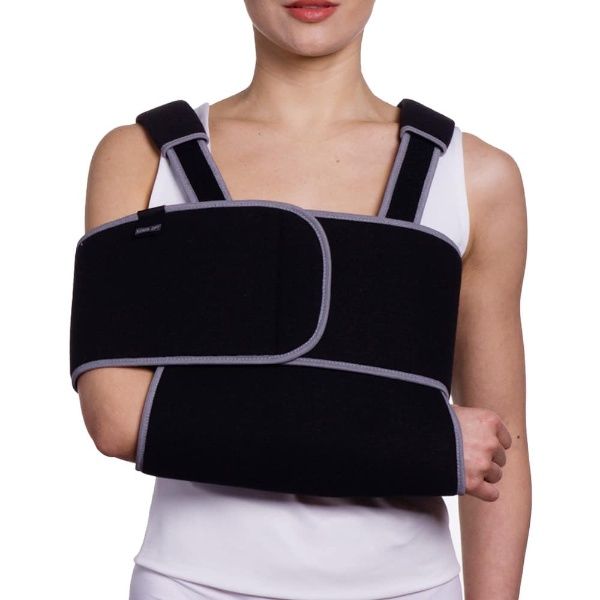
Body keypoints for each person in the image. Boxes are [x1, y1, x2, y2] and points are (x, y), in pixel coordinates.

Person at [77, 1, 531, 598]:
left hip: (410, 587)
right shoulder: (141, 157)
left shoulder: (474, 177)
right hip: (193, 584)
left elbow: (499, 441)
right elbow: (116, 419)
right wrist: (422, 443)